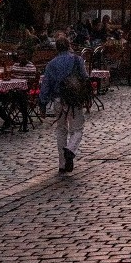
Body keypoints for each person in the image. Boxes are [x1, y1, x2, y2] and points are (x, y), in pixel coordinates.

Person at [39, 33, 90, 173]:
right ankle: (71, 149)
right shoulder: (77, 60)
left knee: (61, 130)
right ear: (69, 46)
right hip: (74, 100)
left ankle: (62, 164)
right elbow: (85, 78)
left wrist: (42, 104)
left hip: (58, 100)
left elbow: (46, 85)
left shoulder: (51, 64)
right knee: (77, 129)